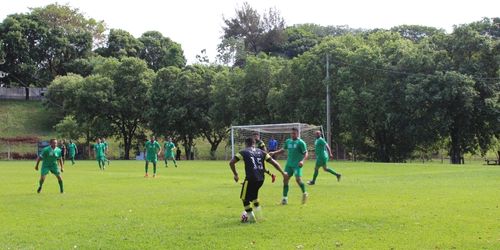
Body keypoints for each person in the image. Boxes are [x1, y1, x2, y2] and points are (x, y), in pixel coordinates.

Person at [229, 137, 288, 223]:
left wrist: (236, 174)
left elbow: (231, 162)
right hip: (261, 179)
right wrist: (283, 173)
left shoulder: (244, 152)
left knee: (244, 199)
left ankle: (251, 219)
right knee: (254, 197)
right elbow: (274, 162)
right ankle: (260, 216)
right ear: (254, 143)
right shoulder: (262, 152)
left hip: (250, 178)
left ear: (246, 144)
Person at [270, 128, 309, 205]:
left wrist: (302, 161)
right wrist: (274, 152)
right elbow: (283, 150)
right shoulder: (288, 141)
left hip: (297, 165)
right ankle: (285, 199)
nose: (292, 135)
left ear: (297, 134)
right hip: (289, 164)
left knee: (298, 180)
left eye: (294, 133)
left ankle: (305, 193)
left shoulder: (301, 143)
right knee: (285, 179)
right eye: (291, 133)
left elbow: (306, 153)